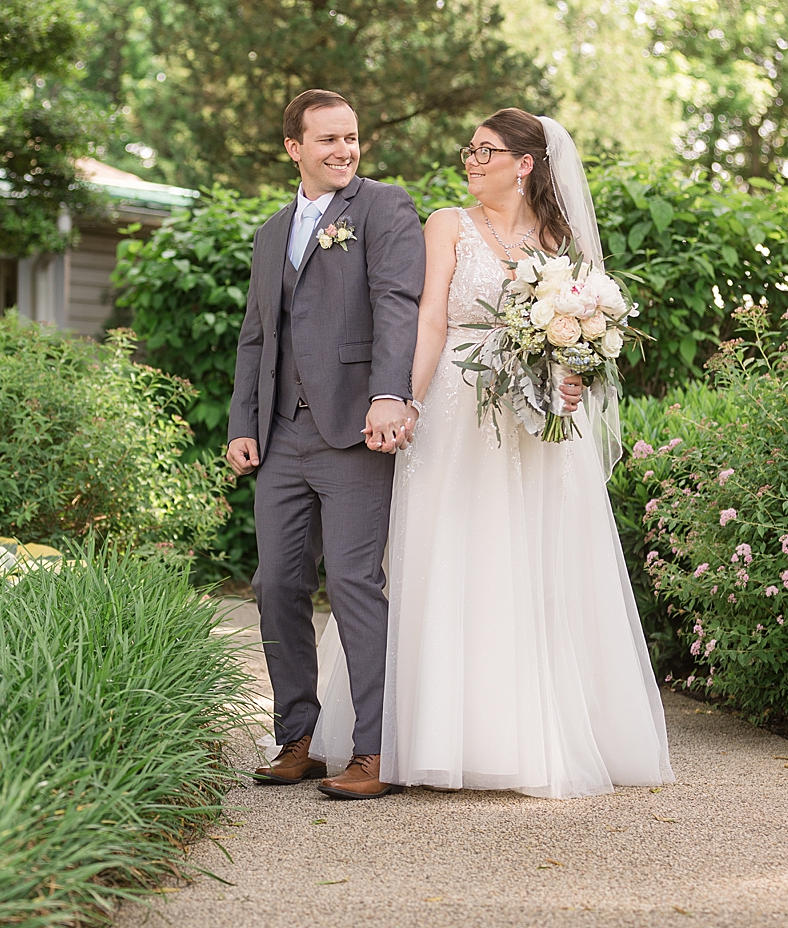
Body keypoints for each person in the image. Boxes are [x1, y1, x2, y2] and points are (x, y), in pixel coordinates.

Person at [310, 108, 674, 798]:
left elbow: (578, 337)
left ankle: (521, 737)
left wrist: (572, 377)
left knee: (528, 566)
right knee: (446, 557)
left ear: (526, 162)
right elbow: (431, 320)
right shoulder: (446, 223)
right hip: (455, 407)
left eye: (485, 150)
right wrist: (405, 401)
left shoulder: (558, 239)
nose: (471, 160)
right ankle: (420, 738)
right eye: (469, 149)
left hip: (532, 423)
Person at [225, 89, 425, 800]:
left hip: (353, 429)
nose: (345, 150)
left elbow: (398, 304)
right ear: (293, 148)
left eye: (352, 137)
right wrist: (242, 424)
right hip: (281, 435)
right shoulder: (271, 229)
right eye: (328, 140)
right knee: (275, 584)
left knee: (352, 583)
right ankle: (297, 738)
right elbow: (257, 334)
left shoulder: (384, 207)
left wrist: (388, 394)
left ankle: (369, 751)